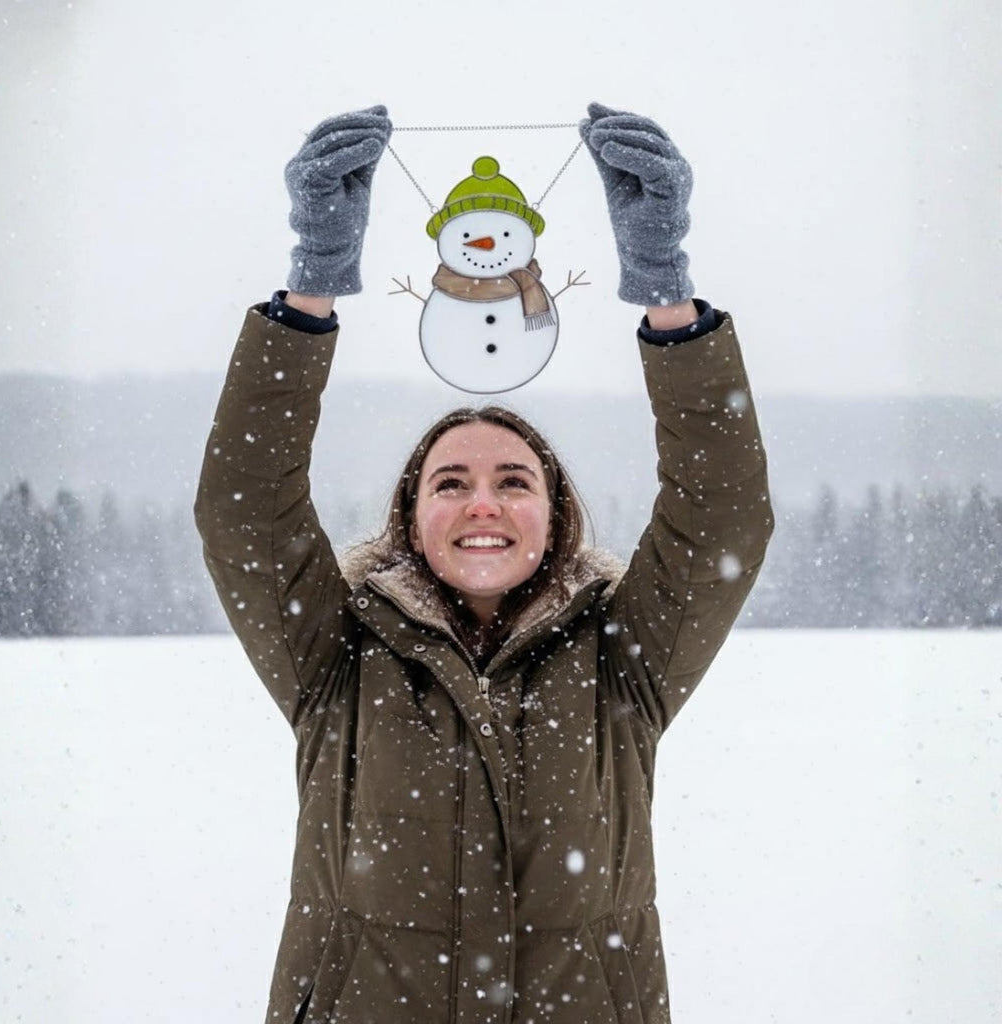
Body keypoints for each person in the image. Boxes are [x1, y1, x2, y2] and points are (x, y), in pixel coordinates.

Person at [194, 102, 774, 1024]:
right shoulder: (334, 656)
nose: (482, 504)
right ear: (410, 517)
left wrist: (668, 290)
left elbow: (721, 514)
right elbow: (245, 512)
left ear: (556, 515)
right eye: (449, 481)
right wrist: (312, 287)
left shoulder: (627, 658)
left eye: (513, 481)